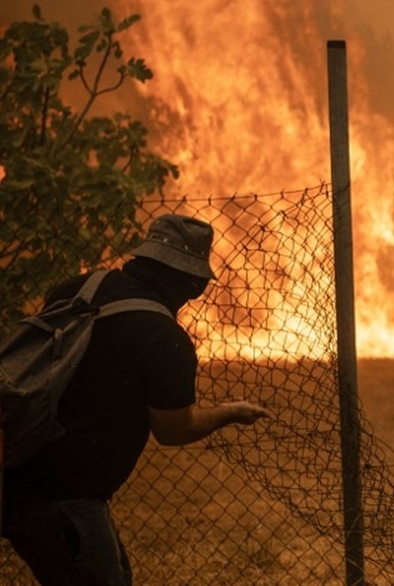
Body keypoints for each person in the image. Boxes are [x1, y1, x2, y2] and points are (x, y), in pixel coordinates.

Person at [2, 214, 273, 585]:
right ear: (189, 281)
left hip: (16, 470)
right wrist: (228, 412)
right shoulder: (165, 339)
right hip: (63, 499)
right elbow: (174, 429)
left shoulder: (79, 288)